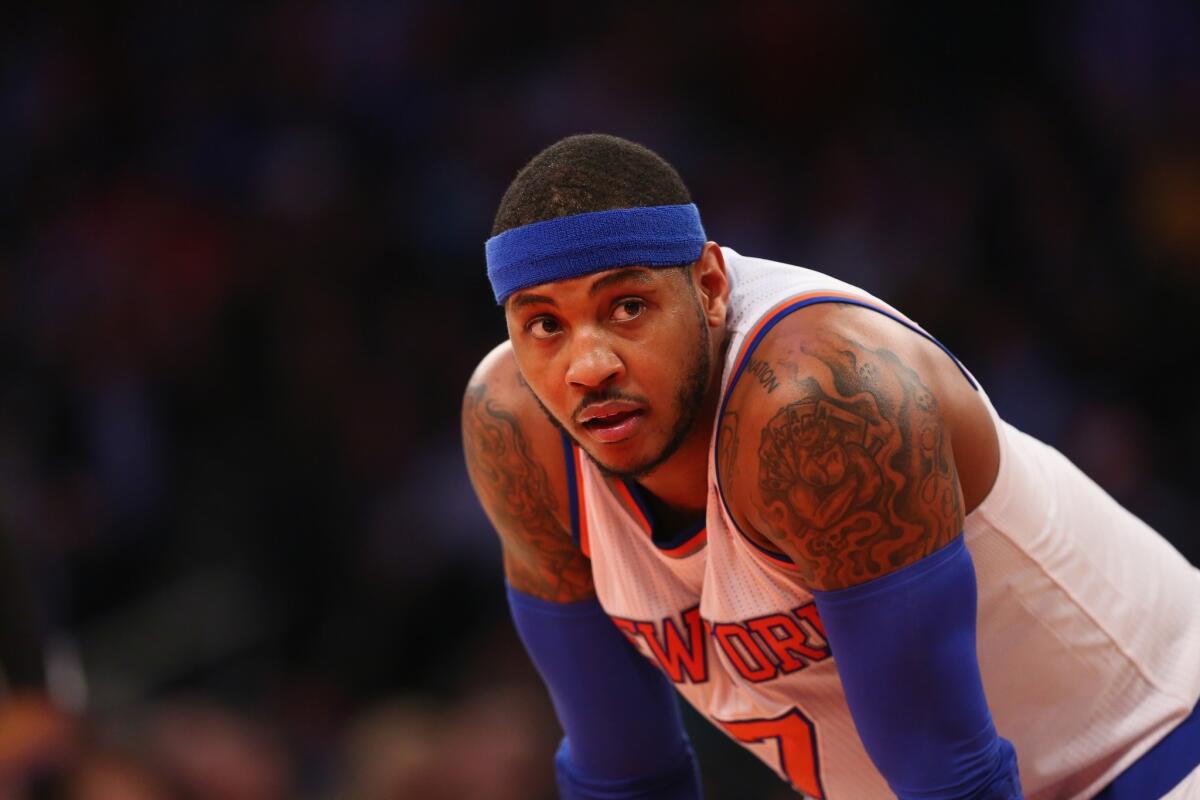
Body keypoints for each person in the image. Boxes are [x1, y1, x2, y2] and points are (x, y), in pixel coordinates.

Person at [461, 134, 1200, 800]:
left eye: (627, 307)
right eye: (544, 325)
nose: (587, 366)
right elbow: (625, 774)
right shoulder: (515, 431)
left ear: (711, 288)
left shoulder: (817, 403)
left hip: (1153, 749)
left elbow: (949, 779)